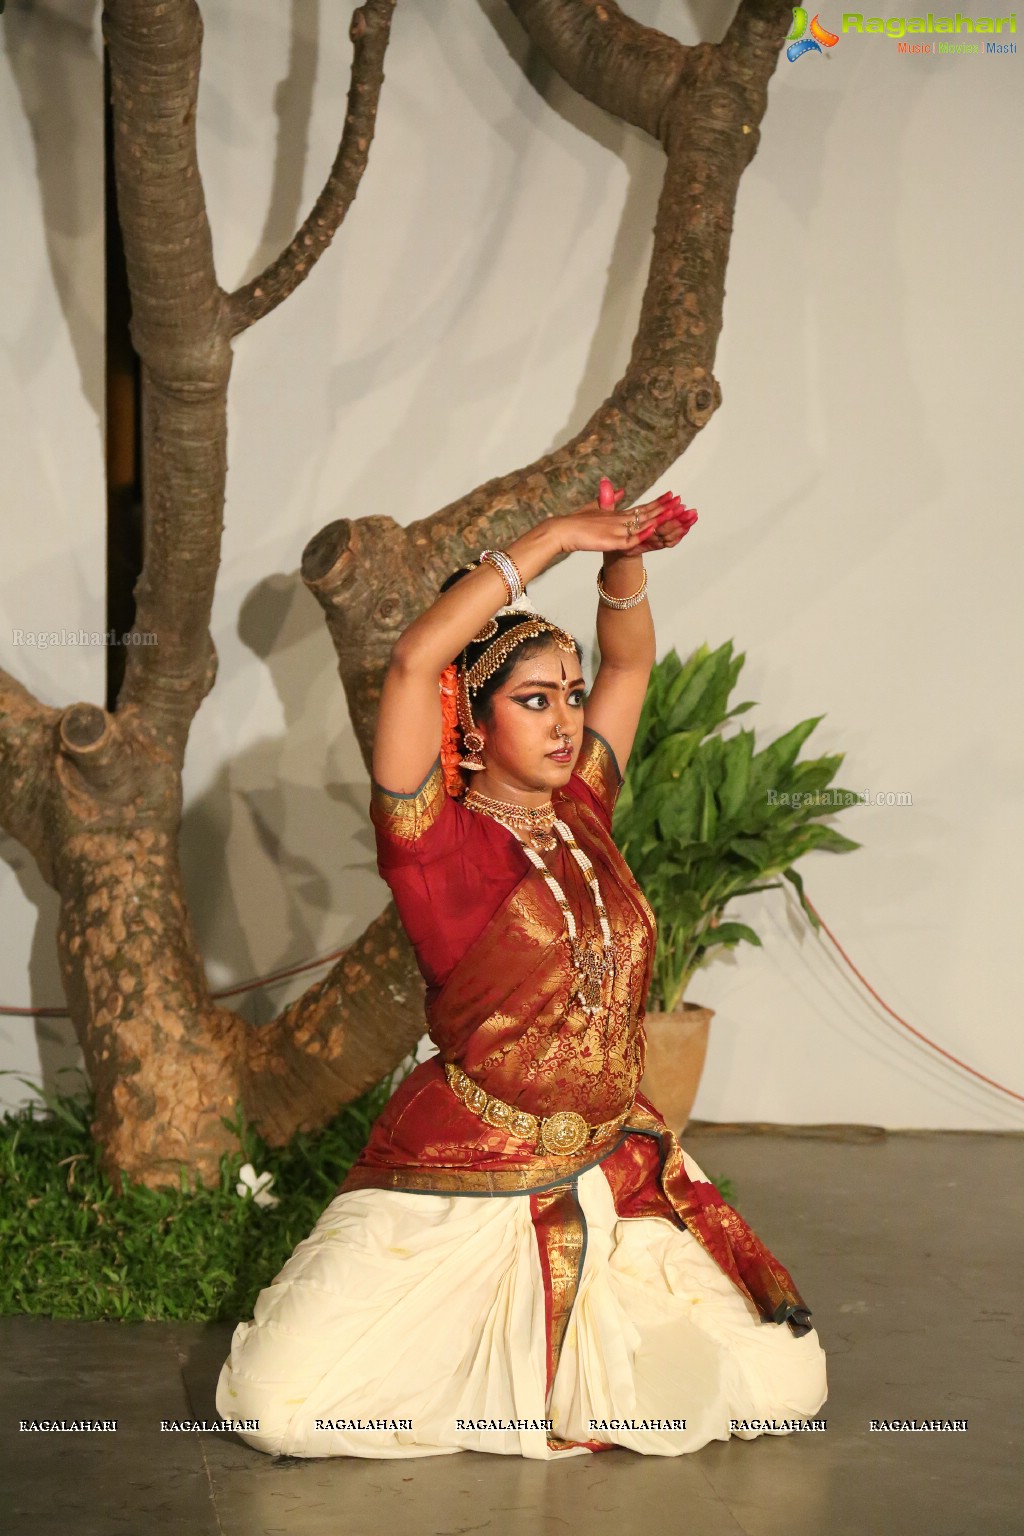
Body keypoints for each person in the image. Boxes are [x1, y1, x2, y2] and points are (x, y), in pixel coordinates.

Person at [215, 478, 827, 1460]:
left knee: (782, 1383)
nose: (565, 724)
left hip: (605, 1167)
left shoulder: (582, 808)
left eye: (569, 700)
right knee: (277, 1405)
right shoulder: (431, 843)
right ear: (470, 721)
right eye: (534, 702)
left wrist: (621, 557)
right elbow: (417, 658)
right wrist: (549, 539)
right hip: (462, 1180)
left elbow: (629, 663)